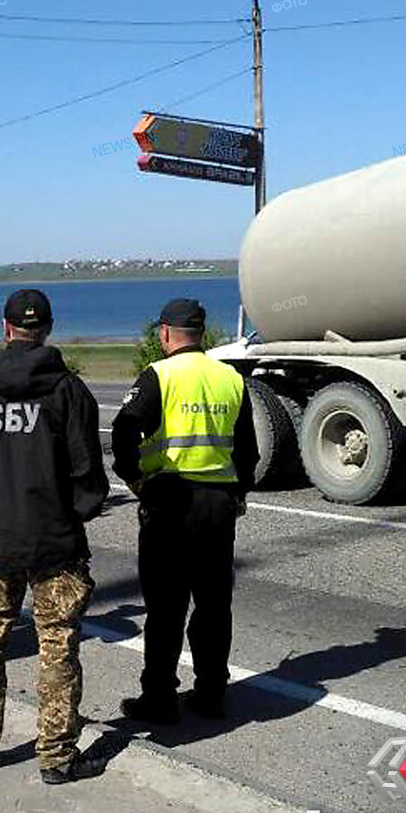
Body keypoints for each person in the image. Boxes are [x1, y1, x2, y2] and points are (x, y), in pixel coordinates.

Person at [0, 289, 109, 784]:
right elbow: (88, 477)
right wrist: (74, 515)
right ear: (49, 329)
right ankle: (57, 755)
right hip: (54, 543)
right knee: (57, 646)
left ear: (5, 326)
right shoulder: (69, 391)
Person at [110, 298, 258, 723]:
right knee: (213, 606)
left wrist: (135, 479)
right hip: (218, 506)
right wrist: (239, 492)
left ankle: (159, 699)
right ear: (203, 335)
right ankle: (212, 693)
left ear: (164, 334)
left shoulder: (160, 375)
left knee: (166, 608)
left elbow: (123, 431)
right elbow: (248, 449)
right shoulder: (230, 379)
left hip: (170, 503)